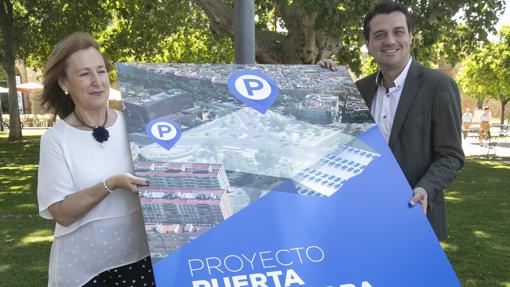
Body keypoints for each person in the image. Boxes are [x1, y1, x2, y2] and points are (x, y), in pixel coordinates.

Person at [320, 2, 464, 241]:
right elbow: (337, 140)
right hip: (363, 217)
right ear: (368, 44)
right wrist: (323, 79)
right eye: (379, 35)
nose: (389, 40)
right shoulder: (358, 90)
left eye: (398, 31)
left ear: (410, 36)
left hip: (415, 217)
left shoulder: (438, 86)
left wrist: (425, 188)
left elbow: (451, 156)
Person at [37, 32, 155, 286]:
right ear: (64, 83)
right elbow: (62, 213)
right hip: (86, 273)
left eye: (101, 71)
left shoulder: (135, 125)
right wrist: (111, 183)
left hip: (144, 262)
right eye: (84, 74)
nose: (97, 81)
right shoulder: (56, 139)